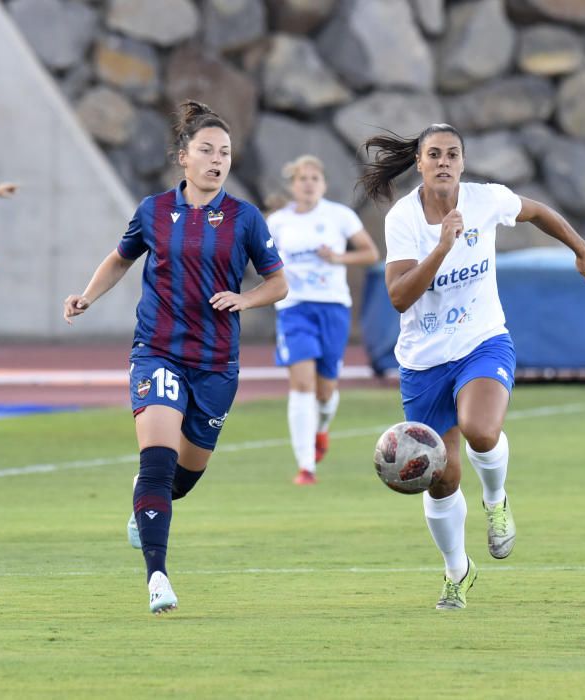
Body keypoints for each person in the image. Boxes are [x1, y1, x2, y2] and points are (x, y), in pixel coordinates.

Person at [358, 123, 585, 609]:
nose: (444, 161)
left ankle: (496, 501)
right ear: (421, 164)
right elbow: (399, 296)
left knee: (480, 430)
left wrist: (580, 247)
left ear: (463, 162)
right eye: (434, 154)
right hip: (423, 362)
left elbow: (537, 212)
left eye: (452, 153)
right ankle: (457, 572)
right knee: (441, 476)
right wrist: (443, 246)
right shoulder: (404, 219)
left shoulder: (486, 199)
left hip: (482, 340)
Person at [63, 100, 287, 614]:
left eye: (225, 152)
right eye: (206, 150)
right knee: (158, 464)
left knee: (184, 477)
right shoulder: (153, 211)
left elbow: (278, 283)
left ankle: (145, 504)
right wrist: (86, 296)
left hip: (216, 362)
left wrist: (245, 300)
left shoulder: (245, 219)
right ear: (182, 157)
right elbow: (120, 259)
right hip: (156, 351)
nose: (217, 160)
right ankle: (157, 578)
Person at [266, 155, 379, 485]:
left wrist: (338, 257)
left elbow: (370, 253)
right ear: (292, 185)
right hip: (294, 308)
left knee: (326, 391)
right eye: (302, 178)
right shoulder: (278, 222)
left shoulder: (338, 216)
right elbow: (261, 258)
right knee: (301, 385)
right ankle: (306, 467)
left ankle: (322, 428)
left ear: (324, 184)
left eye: (315, 178)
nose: (309, 183)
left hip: (332, 308)